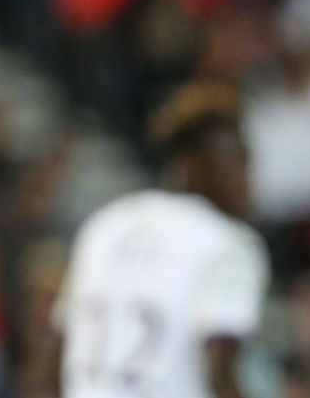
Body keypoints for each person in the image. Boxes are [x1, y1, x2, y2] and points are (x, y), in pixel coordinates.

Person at [48, 82, 269, 398]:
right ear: (191, 166)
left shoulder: (106, 224)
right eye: (235, 162)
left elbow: (58, 353)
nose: (246, 180)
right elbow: (219, 370)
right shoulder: (227, 242)